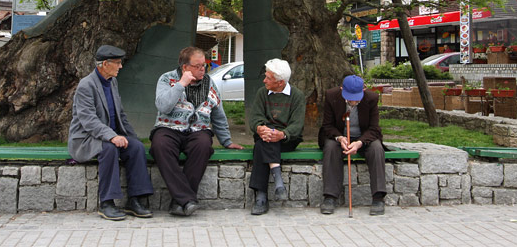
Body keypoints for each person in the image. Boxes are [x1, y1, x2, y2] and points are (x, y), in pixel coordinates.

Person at [149, 46, 243, 216]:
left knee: (203, 146)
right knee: (160, 145)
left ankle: (179, 202)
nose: (202, 69)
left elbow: (218, 115)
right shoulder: (167, 79)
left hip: (198, 129)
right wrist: (180, 85)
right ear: (185, 67)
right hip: (169, 127)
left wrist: (227, 141)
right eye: (198, 66)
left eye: (204, 66)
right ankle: (187, 199)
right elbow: (163, 106)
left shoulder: (210, 83)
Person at [68, 45, 154, 221]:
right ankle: (106, 203)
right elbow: (88, 121)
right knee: (109, 149)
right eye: (117, 63)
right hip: (86, 138)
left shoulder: (112, 82)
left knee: (136, 147)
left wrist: (132, 137)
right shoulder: (86, 85)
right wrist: (112, 136)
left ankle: (135, 200)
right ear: (105, 64)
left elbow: (120, 114)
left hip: (109, 135)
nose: (121, 66)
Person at [318, 75, 386, 216]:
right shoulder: (332, 96)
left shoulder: (371, 98)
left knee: (377, 148)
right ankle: (330, 197)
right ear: (342, 89)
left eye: (356, 98)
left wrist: (360, 142)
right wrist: (340, 138)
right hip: (339, 136)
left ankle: (378, 197)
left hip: (364, 137)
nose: (353, 102)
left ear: (364, 89)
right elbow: (327, 125)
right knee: (330, 148)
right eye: (349, 98)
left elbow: (374, 129)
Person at [248, 58, 305, 215]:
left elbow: (297, 125)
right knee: (264, 140)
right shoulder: (262, 93)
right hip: (265, 136)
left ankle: (261, 196)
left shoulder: (297, 96)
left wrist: (282, 134)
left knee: (263, 144)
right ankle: (277, 179)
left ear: (280, 82)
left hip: (287, 139)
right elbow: (255, 118)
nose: (264, 80)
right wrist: (260, 128)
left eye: (268, 78)